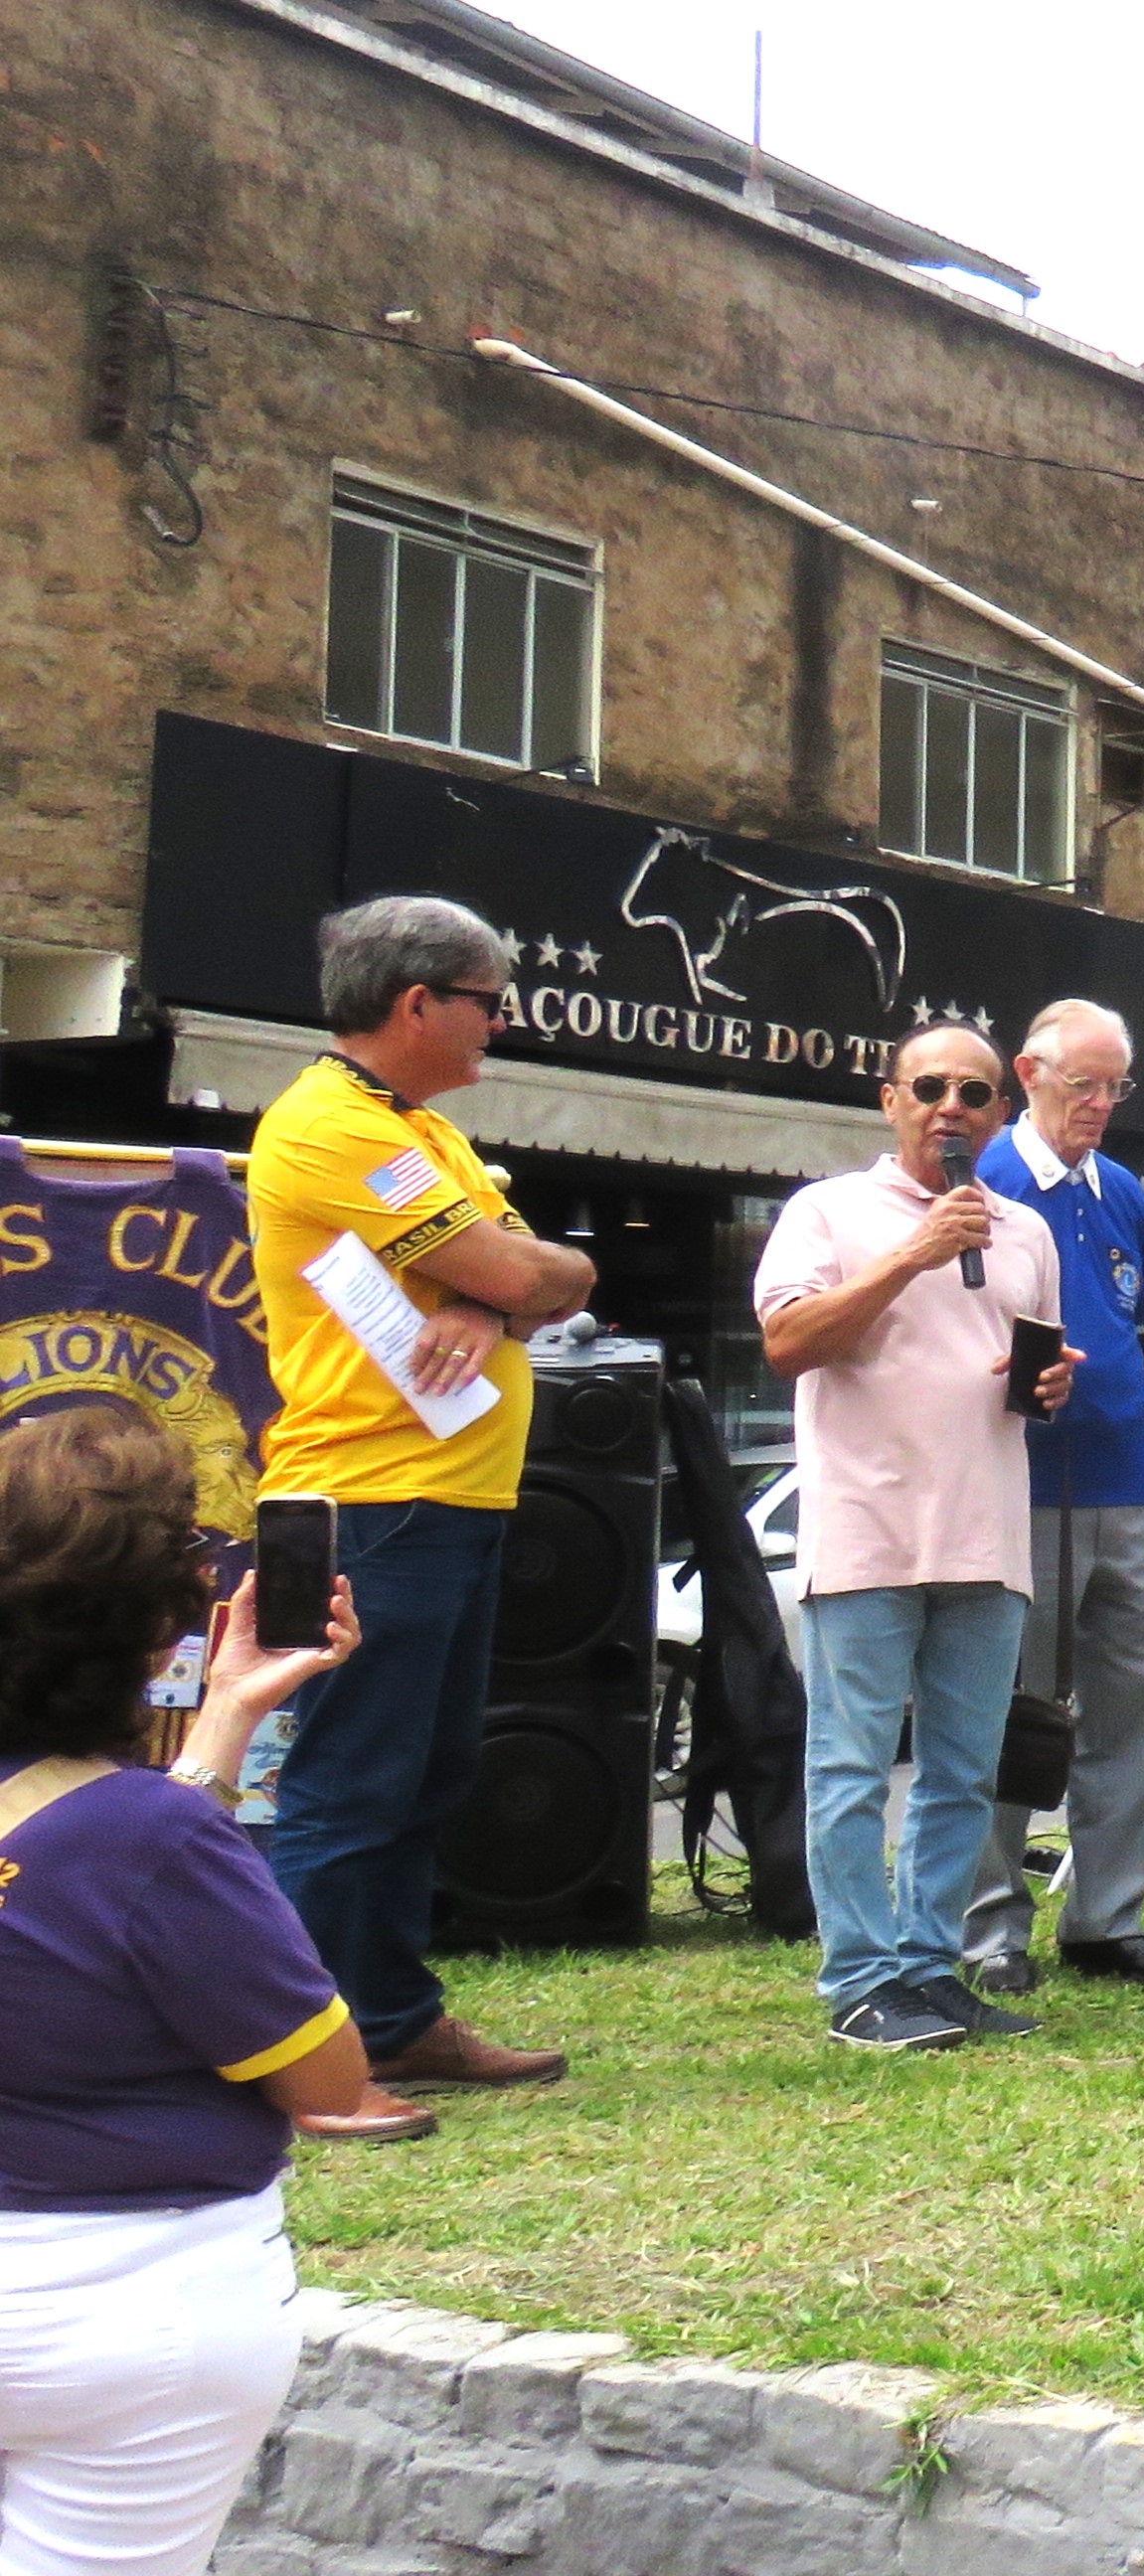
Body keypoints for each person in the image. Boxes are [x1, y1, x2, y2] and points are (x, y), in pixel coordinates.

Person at [244, 895, 594, 2135]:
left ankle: (391, 2020)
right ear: (416, 1006)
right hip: (372, 1495)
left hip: (439, 1496)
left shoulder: (418, 1130)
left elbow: (561, 1272)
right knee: (349, 1783)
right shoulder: (334, 1129)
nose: (500, 1026)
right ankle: (304, 2064)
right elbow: (520, 1267)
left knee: (427, 1772)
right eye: (489, 1003)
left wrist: (495, 1307)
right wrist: (506, 1288)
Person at [0, 1410, 371, 2576]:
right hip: (124, 2318)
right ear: (162, 1622)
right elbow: (330, 2082)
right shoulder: (153, 1842)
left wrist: (223, 1722)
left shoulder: (136, 1833)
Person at [757, 1024, 1072, 2051]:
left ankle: (929, 1971)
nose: (952, 1107)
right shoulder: (828, 1212)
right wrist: (913, 1253)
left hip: (985, 1537)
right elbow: (791, 1343)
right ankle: (857, 1979)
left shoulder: (1023, 1232)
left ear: (999, 1114)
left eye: (975, 1093)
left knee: (962, 1771)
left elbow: (1027, 1375)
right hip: (868, 1533)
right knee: (850, 1768)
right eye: (930, 1087)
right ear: (890, 1100)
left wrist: (1051, 1382)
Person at [963, 1001, 1144, 1994]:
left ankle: (1107, 1916)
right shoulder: (990, 1182)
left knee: (1134, 1710)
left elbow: (1137, 1327)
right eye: (1082, 1085)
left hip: (1125, 1486)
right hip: (1023, 1485)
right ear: (1030, 1073)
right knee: (1008, 1711)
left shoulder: (1115, 1192)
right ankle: (988, 1930)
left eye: (1116, 1087)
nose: (1100, 1105)